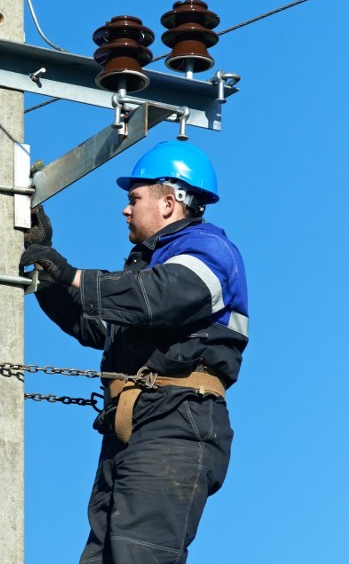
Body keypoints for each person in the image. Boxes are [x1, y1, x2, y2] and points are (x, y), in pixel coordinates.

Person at [21, 141, 248, 564]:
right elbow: (94, 324)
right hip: (136, 425)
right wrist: (49, 272)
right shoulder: (145, 270)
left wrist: (73, 276)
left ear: (169, 202)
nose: (126, 210)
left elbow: (159, 297)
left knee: (137, 555)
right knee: (104, 556)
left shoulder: (209, 250)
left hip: (178, 421)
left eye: (134, 199)